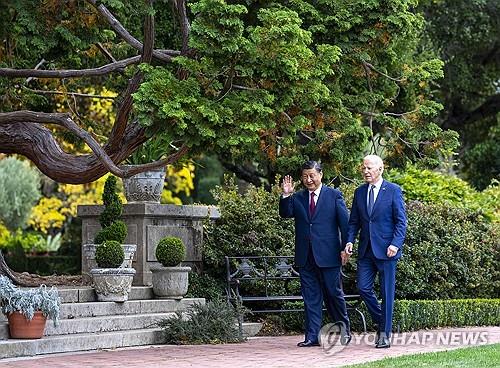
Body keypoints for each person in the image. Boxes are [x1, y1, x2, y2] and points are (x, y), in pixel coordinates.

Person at [280, 160, 351, 347]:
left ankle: (344, 331)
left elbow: (345, 224)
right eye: (305, 176)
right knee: (311, 298)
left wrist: (346, 247)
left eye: (312, 175)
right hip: (306, 256)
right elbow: (285, 214)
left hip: (329, 255)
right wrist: (286, 195)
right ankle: (312, 336)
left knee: (333, 294)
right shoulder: (298, 197)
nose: (308, 179)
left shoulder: (334, 195)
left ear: (320, 174)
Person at [343, 155, 407, 348]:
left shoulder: (393, 190)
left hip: (387, 251)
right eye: (364, 168)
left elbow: (401, 222)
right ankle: (383, 322)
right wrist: (349, 241)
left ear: (380, 169)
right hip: (366, 251)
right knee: (363, 288)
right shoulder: (359, 192)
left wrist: (395, 244)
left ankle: (384, 335)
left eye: (369, 168)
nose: (366, 171)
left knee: (387, 293)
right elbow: (354, 222)